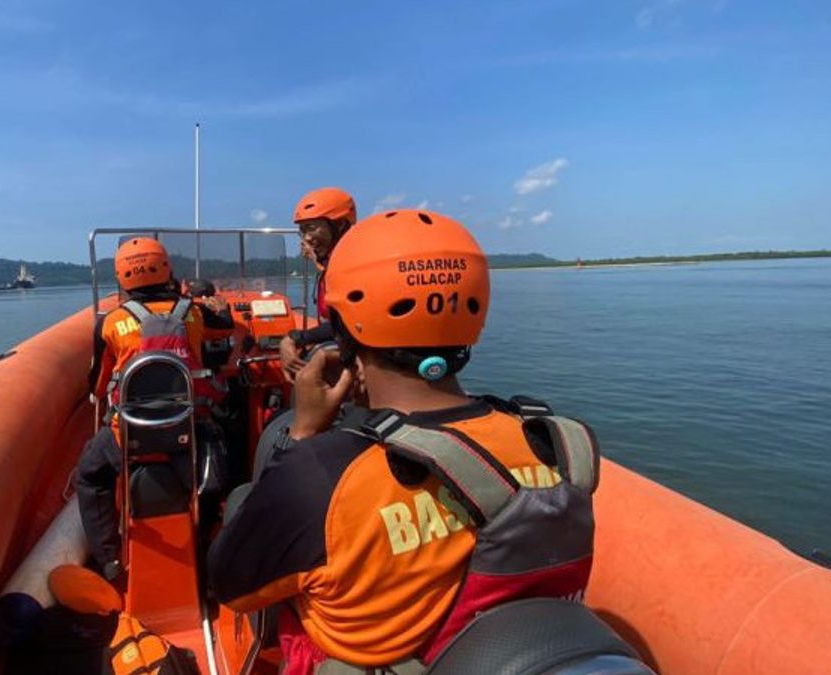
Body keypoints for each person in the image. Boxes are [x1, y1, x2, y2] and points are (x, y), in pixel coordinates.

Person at [208, 209, 600, 673]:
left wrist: (303, 434)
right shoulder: (558, 444)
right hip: (509, 647)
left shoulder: (320, 474)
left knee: (240, 502)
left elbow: (228, 585)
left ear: (346, 328)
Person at [78, 237, 208, 580]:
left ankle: (109, 560)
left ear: (122, 276)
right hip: (186, 430)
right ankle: (209, 532)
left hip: (129, 435)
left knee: (89, 476)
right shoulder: (192, 313)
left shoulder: (109, 324)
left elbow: (98, 384)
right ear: (166, 267)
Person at [279, 187, 357, 381]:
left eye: (311, 228)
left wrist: (295, 338)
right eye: (302, 231)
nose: (306, 238)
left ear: (339, 225)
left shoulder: (354, 267)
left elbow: (346, 324)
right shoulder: (337, 262)